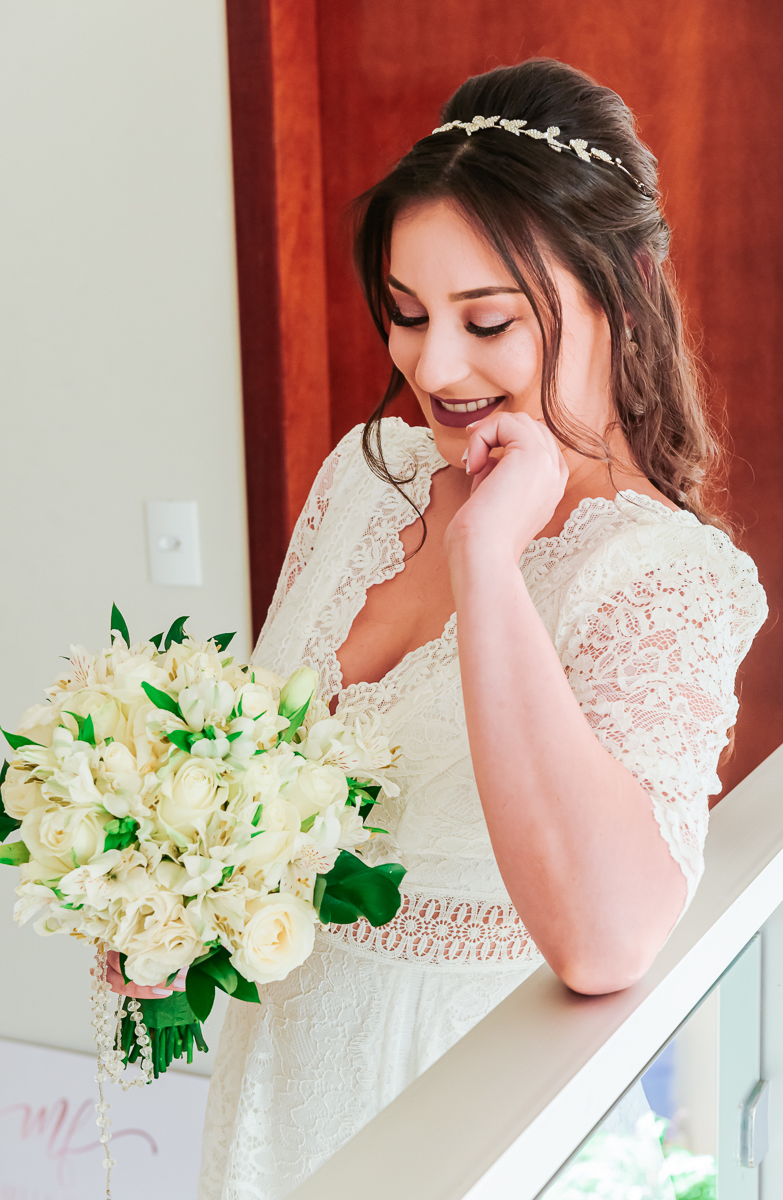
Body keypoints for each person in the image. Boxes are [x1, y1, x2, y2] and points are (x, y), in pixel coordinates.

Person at [197, 58, 767, 1199]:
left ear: (626, 287)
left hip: (462, 1119)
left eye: (488, 319)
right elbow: (258, 783)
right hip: (276, 1085)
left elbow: (606, 942)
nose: (431, 367)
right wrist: (178, 906)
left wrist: (488, 557)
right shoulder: (367, 483)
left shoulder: (669, 580)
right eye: (407, 315)